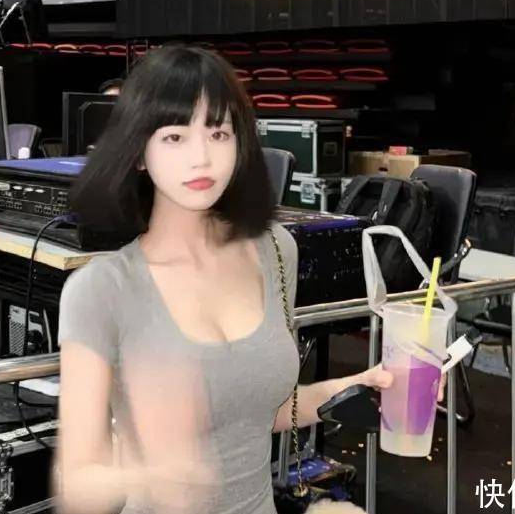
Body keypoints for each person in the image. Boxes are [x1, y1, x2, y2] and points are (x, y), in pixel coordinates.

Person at [57, 45, 391, 514]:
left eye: (218, 133)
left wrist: (362, 384)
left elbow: (264, 411)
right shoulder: (100, 290)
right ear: (139, 154)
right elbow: (78, 482)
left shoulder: (275, 250)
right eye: (175, 137)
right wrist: (154, 473)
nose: (201, 157)